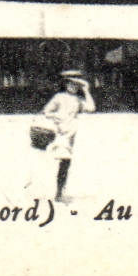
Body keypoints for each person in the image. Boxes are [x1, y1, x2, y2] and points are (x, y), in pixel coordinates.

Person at [40, 70, 95, 202]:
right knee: (64, 161)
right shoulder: (59, 97)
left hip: (70, 135)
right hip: (60, 133)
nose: (73, 87)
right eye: (71, 84)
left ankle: (59, 190)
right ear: (65, 85)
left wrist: (86, 91)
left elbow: (91, 108)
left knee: (65, 163)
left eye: (76, 85)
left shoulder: (78, 100)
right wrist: (57, 116)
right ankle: (59, 192)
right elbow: (46, 111)